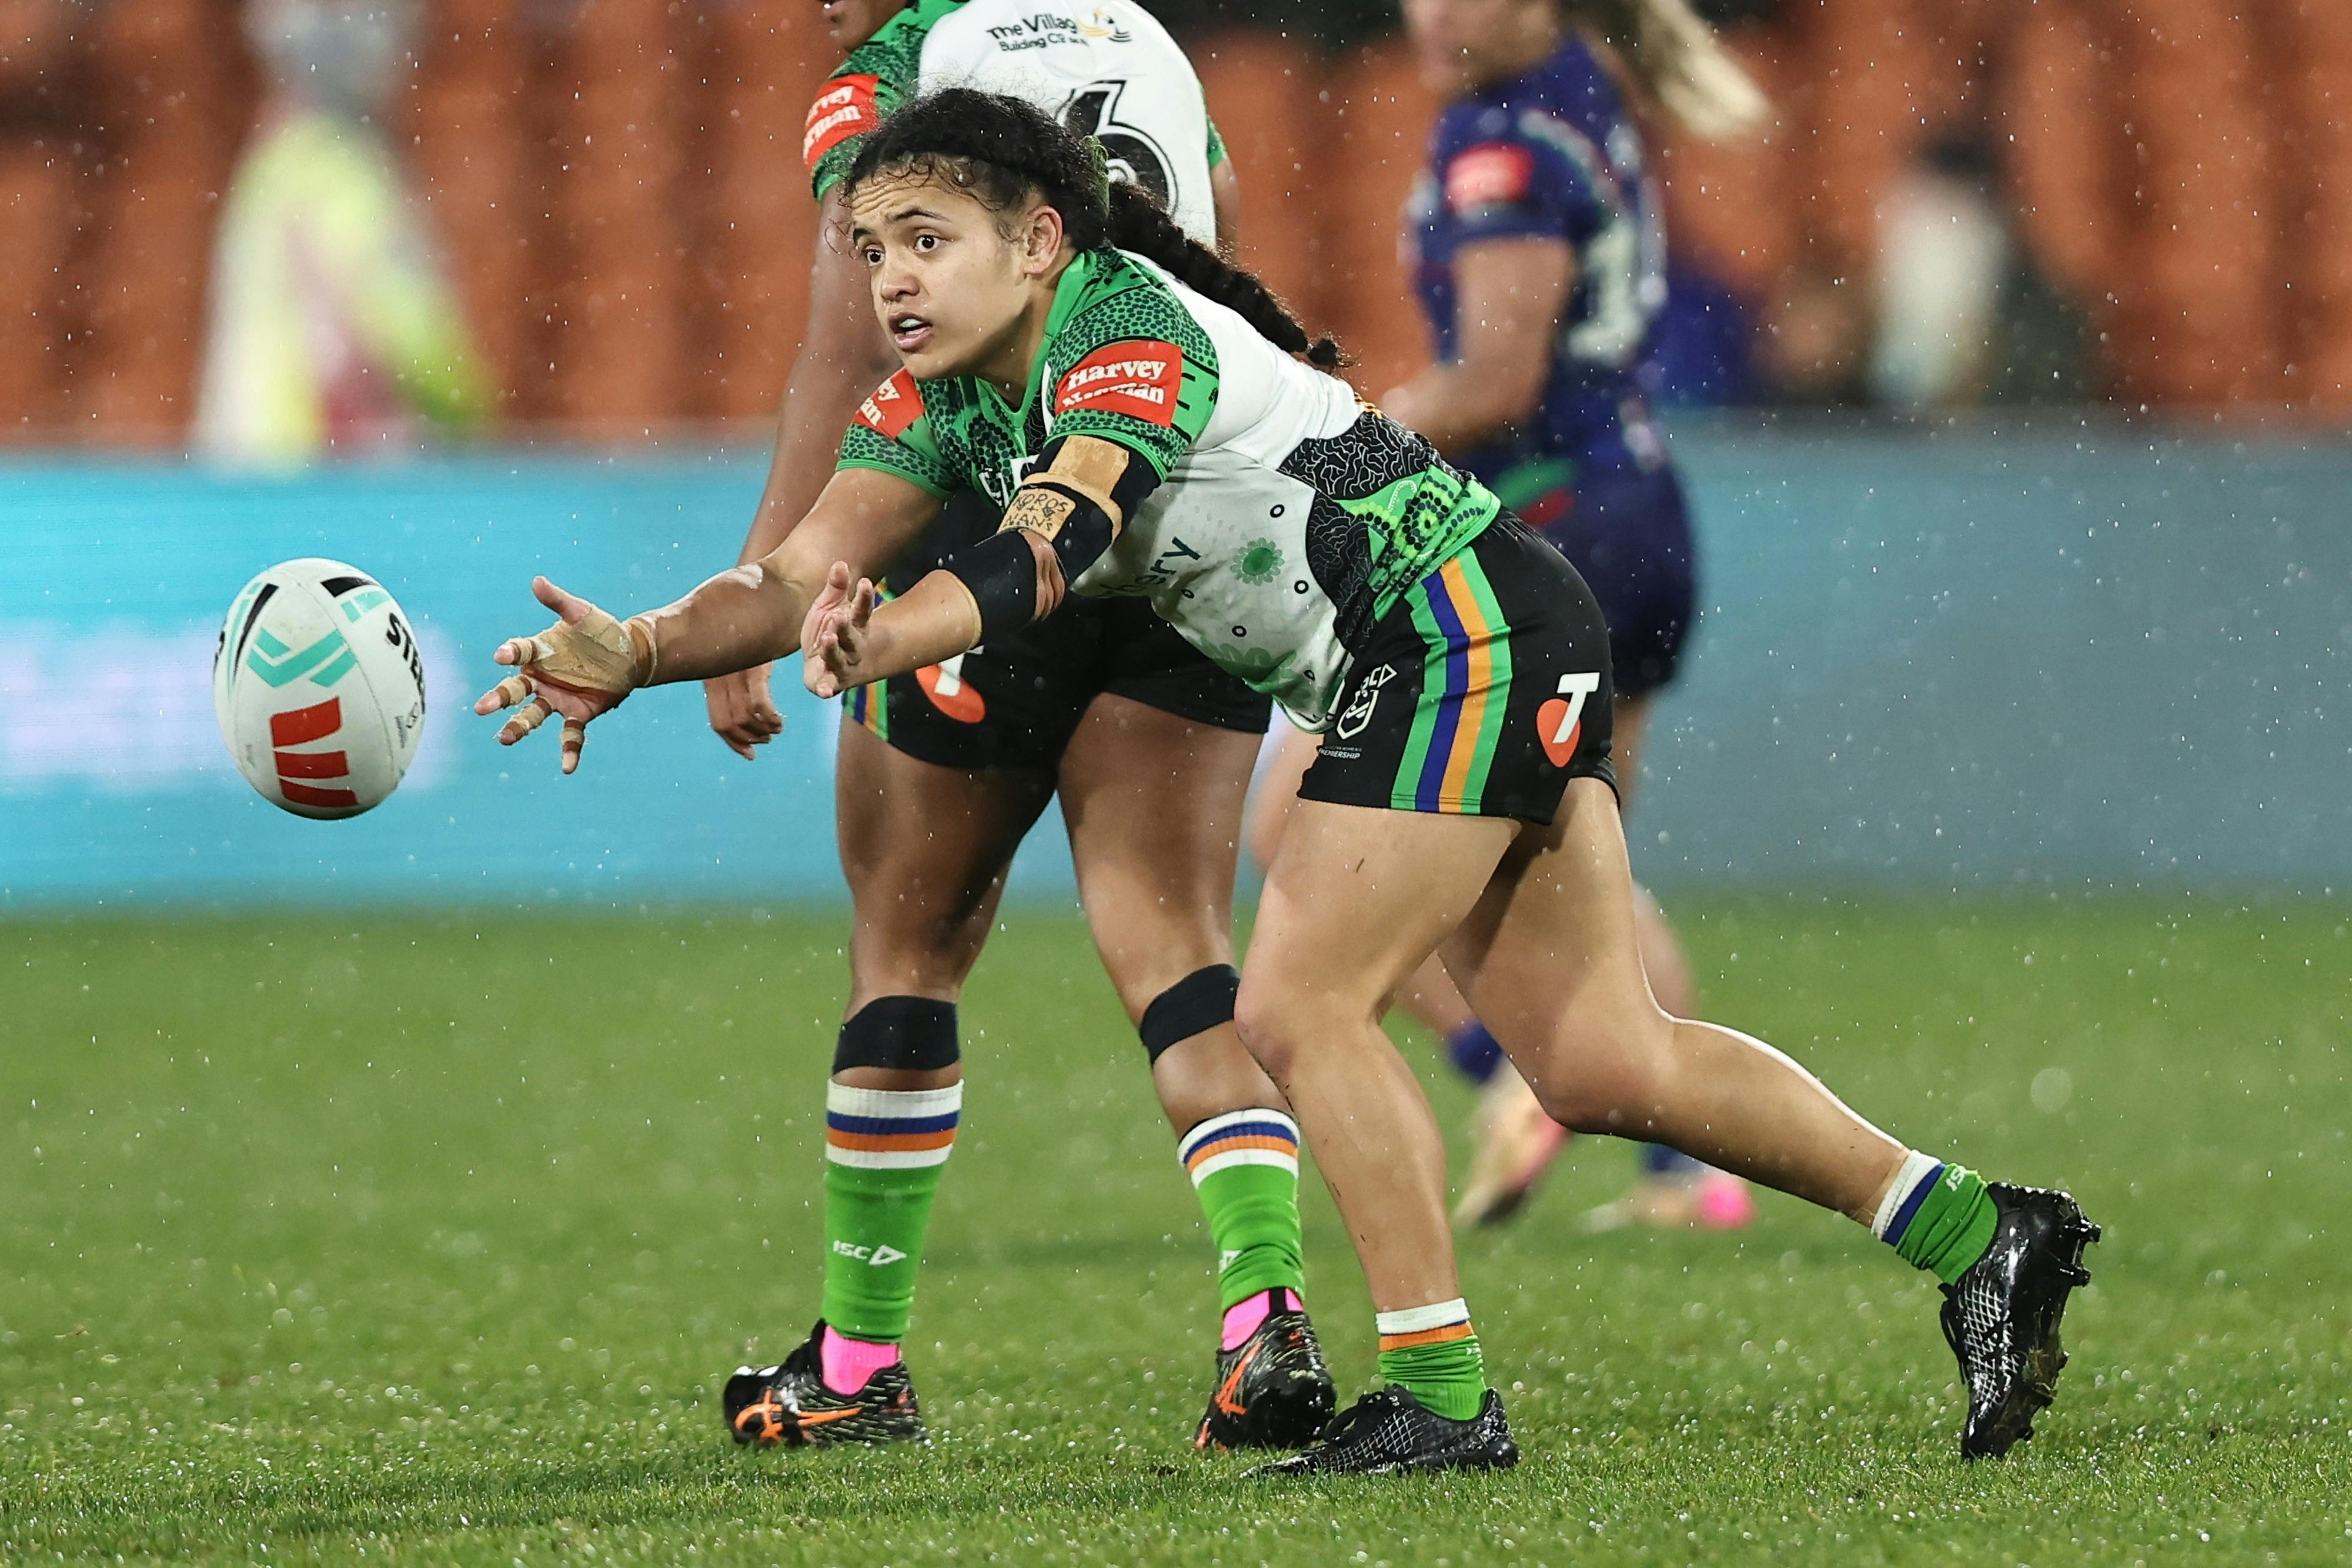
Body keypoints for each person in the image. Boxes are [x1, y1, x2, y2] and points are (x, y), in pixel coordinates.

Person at [473, 87, 2099, 1476]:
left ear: (1039, 238)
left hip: (1461, 631)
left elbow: (1063, 539)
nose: (893, 279)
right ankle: (1975, 1229)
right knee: (1604, 1059)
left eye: (927, 239)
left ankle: (1443, 1395)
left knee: (1304, 1000)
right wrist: (641, 645)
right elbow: (793, 569)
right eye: (872, 247)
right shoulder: (945, 404)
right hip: (1477, 637)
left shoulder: (1118, 326)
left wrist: (889, 635)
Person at [695, 0, 1334, 1452]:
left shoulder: (901, 66)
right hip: (1162, 507)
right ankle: (1263, 1314)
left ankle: (858, 1366)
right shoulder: (1140, 34)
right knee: (1176, 937)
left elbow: (847, 340)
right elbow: (1212, 257)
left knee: (908, 945)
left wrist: (769, 571)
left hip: (979, 518)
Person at [1245, 0, 1758, 1232]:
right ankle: (1696, 1169)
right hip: (1634, 508)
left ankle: (1507, 1073)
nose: (1427, 12)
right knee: (1586, 872)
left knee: (1285, 819)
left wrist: (1325, 460)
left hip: (1551, 525)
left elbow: (1493, 377)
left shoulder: (1501, 148)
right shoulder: (1579, 92)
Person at [196, 0, 489, 465]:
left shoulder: (276, 165)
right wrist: (464, 425)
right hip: (322, 484)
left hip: (257, 476)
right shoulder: (338, 173)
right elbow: (387, 340)